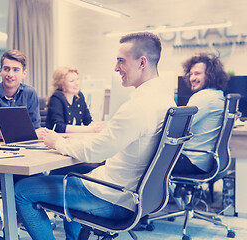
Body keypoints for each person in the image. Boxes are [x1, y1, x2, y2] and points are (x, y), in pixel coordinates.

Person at [14, 32, 176, 240]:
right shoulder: (166, 101)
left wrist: (57, 142)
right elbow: (107, 144)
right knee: (75, 173)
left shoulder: (138, 107)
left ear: (142, 62)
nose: (115, 68)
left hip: (112, 197)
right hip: (135, 196)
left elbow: (94, 152)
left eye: (120, 61)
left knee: (22, 190)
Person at [0, 49, 48, 238]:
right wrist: (17, 132)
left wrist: (13, 132)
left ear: (24, 73)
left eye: (16, 70)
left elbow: (34, 129)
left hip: (22, 152)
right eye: (7, 69)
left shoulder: (30, 93)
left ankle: (16, 225)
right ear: (0, 70)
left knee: (34, 177)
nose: (11, 74)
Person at [172, 53, 229, 175]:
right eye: (191, 74)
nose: (192, 78)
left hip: (192, 161)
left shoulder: (203, 97)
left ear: (211, 75)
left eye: (197, 73)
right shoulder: (218, 95)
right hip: (205, 162)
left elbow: (176, 128)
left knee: (146, 162)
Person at [45, 66, 103, 133]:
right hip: (56, 140)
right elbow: (59, 127)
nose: (77, 83)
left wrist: (95, 126)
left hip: (73, 138)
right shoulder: (56, 98)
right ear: (61, 84)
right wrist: (90, 129)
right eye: (72, 81)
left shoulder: (79, 96)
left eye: (77, 79)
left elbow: (88, 121)